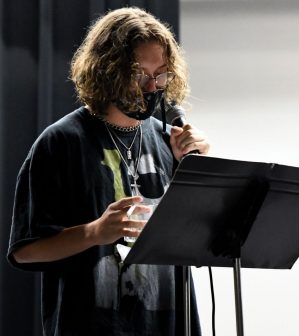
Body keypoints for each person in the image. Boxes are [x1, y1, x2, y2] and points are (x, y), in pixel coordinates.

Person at [7, 7, 208, 336]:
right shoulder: (61, 142)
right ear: (108, 70)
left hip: (168, 324)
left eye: (161, 75)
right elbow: (25, 250)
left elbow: (197, 240)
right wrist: (94, 232)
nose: (152, 87)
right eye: (140, 75)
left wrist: (200, 171)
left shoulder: (167, 140)